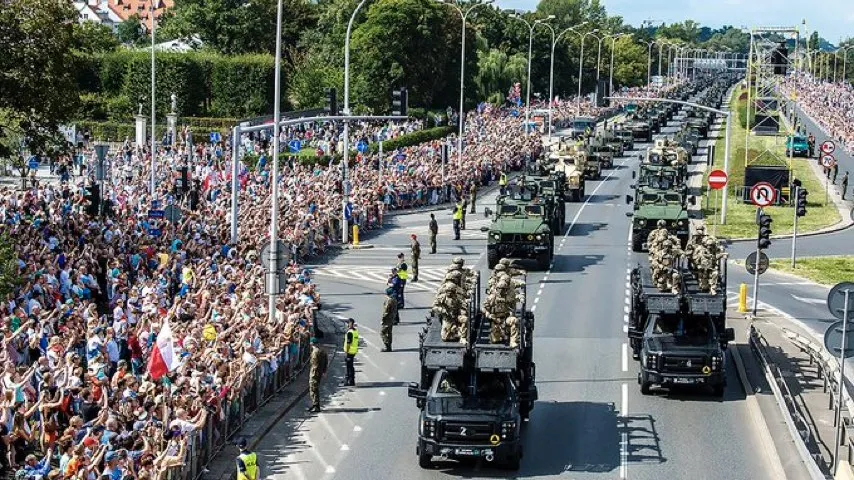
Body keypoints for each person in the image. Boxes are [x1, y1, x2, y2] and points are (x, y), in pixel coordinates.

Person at [307, 337, 328, 412]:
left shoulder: (315, 352)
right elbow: (326, 361)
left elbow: (314, 363)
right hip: (319, 372)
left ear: (312, 343)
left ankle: (316, 405)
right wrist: (324, 371)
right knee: (315, 388)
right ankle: (315, 404)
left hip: (314, 372)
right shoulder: (322, 351)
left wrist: (314, 373)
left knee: (313, 388)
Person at [342, 318, 359, 386]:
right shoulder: (355, 331)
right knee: (351, 366)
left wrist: (346, 351)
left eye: (347, 323)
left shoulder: (350, 333)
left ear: (350, 324)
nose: (346, 325)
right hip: (353, 351)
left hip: (349, 351)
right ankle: (352, 380)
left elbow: (348, 343)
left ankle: (348, 381)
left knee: (348, 367)